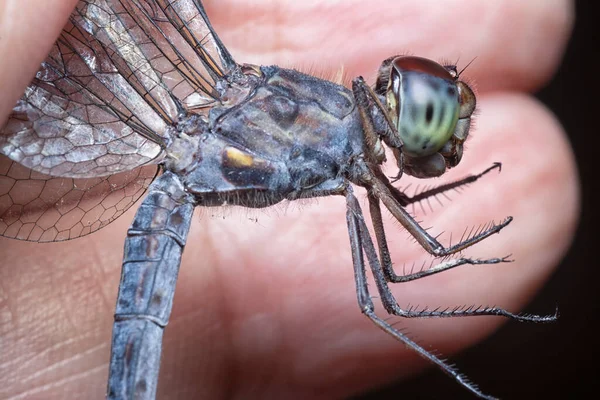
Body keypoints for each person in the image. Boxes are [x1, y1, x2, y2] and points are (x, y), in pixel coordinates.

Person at [0, 0, 578, 398]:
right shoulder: (355, 150)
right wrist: (466, 244)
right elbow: (398, 278)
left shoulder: (355, 156)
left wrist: (466, 241)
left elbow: (405, 262)